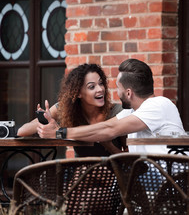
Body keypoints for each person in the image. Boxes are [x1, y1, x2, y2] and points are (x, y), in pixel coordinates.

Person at [36, 59, 186, 154]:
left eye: (117, 87)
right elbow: (105, 127)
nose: (111, 91)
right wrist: (59, 131)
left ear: (128, 93)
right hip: (150, 188)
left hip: (173, 186)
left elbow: (108, 130)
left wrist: (60, 133)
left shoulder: (159, 104)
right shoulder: (132, 113)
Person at [17, 63, 127, 156]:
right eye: (91, 87)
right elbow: (22, 131)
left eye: (101, 83)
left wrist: (109, 146)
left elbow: (130, 160)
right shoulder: (66, 110)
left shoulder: (118, 112)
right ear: (78, 93)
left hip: (113, 174)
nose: (100, 89)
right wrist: (44, 120)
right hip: (82, 172)